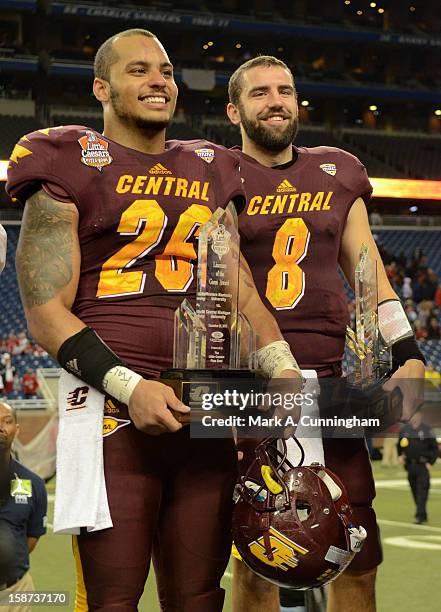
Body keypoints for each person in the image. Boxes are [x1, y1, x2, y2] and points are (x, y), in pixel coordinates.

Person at [6, 30, 301, 611]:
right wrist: (130, 386)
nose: (158, 81)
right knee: (113, 598)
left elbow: (237, 282)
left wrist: (281, 363)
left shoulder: (211, 166)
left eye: (165, 70)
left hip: (206, 408)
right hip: (111, 411)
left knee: (196, 596)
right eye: (138, 70)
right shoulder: (68, 157)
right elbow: (44, 311)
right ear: (102, 87)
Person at [226, 55, 426, 612]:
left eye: (285, 90)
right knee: (259, 560)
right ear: (234, 109)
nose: (276, 101)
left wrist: (405, 349)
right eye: (261, 92)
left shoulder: (339, 169)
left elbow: (369, 274)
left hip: (336, 384)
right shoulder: (219, 171)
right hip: (255, 386)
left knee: (357, 558)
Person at [0, 401, 47, 609]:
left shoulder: (32, 483)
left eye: (7, 421)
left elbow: (31, 538)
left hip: (15, 592)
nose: (0, 427)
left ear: (16, 430)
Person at [398, 410, 438, 524]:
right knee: (414, 491)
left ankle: (419, 515)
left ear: (420, 415)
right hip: (410, 466)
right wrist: (400, 455)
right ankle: (422, 514)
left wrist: (431, 462)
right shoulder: (405, 430)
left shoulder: (427, 430)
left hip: (422, 466)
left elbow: (434, 448)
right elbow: (399, 445)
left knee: (422, 491)